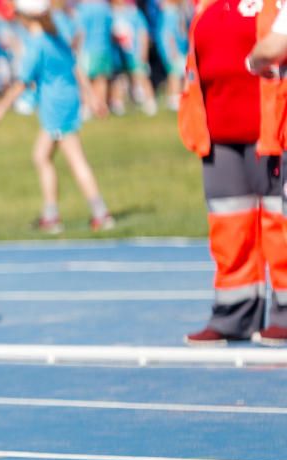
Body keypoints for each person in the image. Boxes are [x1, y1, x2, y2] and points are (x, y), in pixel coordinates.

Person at [179, 0, 287, 346]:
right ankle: (233, 313)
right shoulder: (206, 4)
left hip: (271, 130)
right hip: (218, 131)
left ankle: (285, 312)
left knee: (280, 224)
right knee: (229, 227)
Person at [0, 0, 114, 233]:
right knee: (41, 156)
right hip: (65, 101)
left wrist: (1, 107)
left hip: (55, 106)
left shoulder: (37, 44)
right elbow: (75, 68)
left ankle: (99, 212)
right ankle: (51, 214)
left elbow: (22, 82)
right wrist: (92, 97)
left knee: (75, 159)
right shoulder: (56, 37)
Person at [109, 0, 155, 115]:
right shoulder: (109, 13)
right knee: (119, 79)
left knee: (140, 75)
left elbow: (143, 32)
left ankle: (150, 101)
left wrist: (143, 51)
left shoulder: (134, 13)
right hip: (118, 56)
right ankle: (117, 104)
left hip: (134, 52)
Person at [75, 0, 113, 116]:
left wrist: (76, 48)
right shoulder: (105, 7)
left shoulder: (83, 8)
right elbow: (111, 27)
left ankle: (87, 107)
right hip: (105, 48)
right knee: (101, 79)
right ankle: (101, 108)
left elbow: (80, 30)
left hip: (88, 48)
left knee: (85, 80)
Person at [156, 0, 188, 111]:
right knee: (175, 75)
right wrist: (172, 50)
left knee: (177, 74)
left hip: (180, 49)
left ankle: (174, 98)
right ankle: (174, 99)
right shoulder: (169, 13)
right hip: (173, 50)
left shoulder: (176, 12)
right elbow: (167, 34)